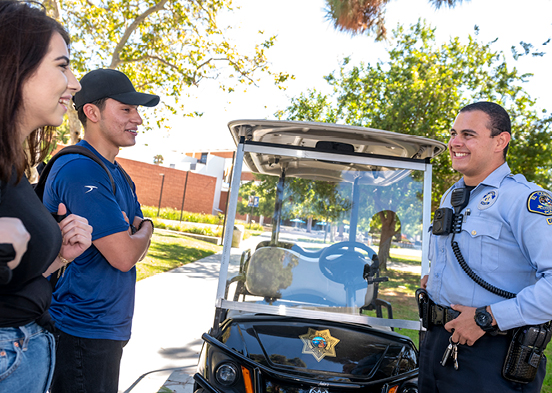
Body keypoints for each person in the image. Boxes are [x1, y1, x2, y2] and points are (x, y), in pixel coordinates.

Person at [418, 101, 552, 392]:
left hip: (491, 353)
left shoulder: (525, 200)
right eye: (453, 133)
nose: (454, 142)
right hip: (438, 342)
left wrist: (487, 317)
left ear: (500, 141)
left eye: (468, 135)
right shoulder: (451, 195)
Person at [43, 68, 159, 393]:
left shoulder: (118, 174)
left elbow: (131, 240)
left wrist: (137, 232)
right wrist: (147, 229)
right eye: (126, 109)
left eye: (137, 110)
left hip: (107, 330)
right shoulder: (80, 170)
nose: (138, 119)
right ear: (92, 112)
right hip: (81, 331)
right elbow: (124, 255)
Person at [0, 2, 93, 392]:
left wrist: (56, 257)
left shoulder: (13, 166)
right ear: (16, 67)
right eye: (62, 66)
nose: (74, 82)